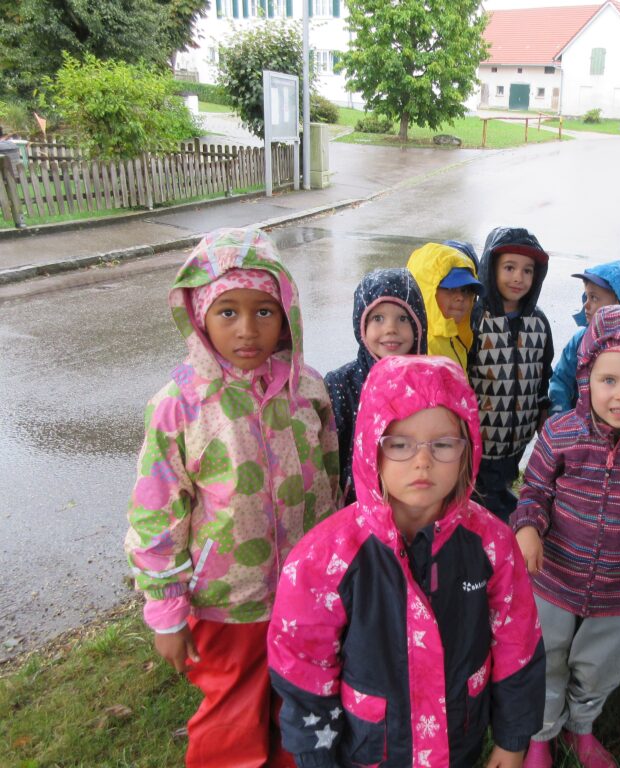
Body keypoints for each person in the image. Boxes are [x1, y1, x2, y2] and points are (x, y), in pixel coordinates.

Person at [124, 227, 341, 768]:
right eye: (228, 312)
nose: (248, 329)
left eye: (265, 311)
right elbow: (156, 514)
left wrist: (338, 570)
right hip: (225, 601)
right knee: (233, 712)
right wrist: (168, 611)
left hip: (303, 591)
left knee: (300, 700)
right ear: (199, 316)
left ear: (286, 312)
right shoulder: (179, 407)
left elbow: (332, 484)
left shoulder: (307, 390)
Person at [267, 355, 545, 768]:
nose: (422, 461)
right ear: (369, 448)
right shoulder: (325, 558)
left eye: (443, 444)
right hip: (370, 751)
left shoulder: (493, 545)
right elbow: (303, 664)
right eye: (399, 443)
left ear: (468, 448)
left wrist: (512, 738)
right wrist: (315, 755)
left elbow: (517, 645)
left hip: (458, 743)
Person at [512, 305, 620, 768]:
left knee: (600, 665)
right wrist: (528, 527)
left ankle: (580, 728)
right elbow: (534, 490)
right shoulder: (560, 432)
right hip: (552, 578)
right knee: (545, 658)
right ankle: (540, 734)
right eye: (609, 380)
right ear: (587, 377)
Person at [468, 226, 554, 522]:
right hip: (480, 439)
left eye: (528, 270)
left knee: (502, 489)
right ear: (490, 269)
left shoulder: (538, 322)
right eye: (509, 267)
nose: (519, 278)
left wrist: (543, 408)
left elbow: (544, 372)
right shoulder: (475, 320)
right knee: (479, 504)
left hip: (517, 437)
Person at [324, 267, 427, 504]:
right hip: (357, 506)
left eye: (403, 318)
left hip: (415, 502)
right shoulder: (341, 384)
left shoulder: (429, 382)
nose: (391, 329)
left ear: (419, 324)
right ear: (361, 324)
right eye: (378, 318)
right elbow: (331, 457)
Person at [548, 260, 620, 417]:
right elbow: (561, 381)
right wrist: (562, 418)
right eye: (586, 297)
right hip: (580, 429)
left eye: (594, 298)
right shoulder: (581, 340)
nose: (586, 306)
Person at [407, 242, 483, 371]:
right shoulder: (423, 348)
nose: (460, 297)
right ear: (426, 292)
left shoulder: (454, 337)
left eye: (465, 290)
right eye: (450, 288)